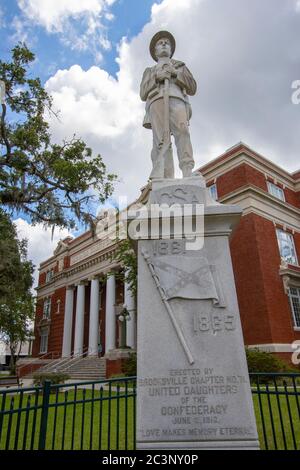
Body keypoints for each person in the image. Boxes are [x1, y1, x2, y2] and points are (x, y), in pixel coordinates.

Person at [140, 31, 197, 179]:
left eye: (167, 42)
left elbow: (192, 87)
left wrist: (176, 74)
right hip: (156, 100)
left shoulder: (180, 66)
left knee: (183, 131)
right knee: (161, 140)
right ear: (155, 51)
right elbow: (142, 93)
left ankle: (187, 170)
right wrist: (156, 77)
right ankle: (166, 177)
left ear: (171, 50)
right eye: (160, 43)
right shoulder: (150, 71)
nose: (164, 44)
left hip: (177, 99)